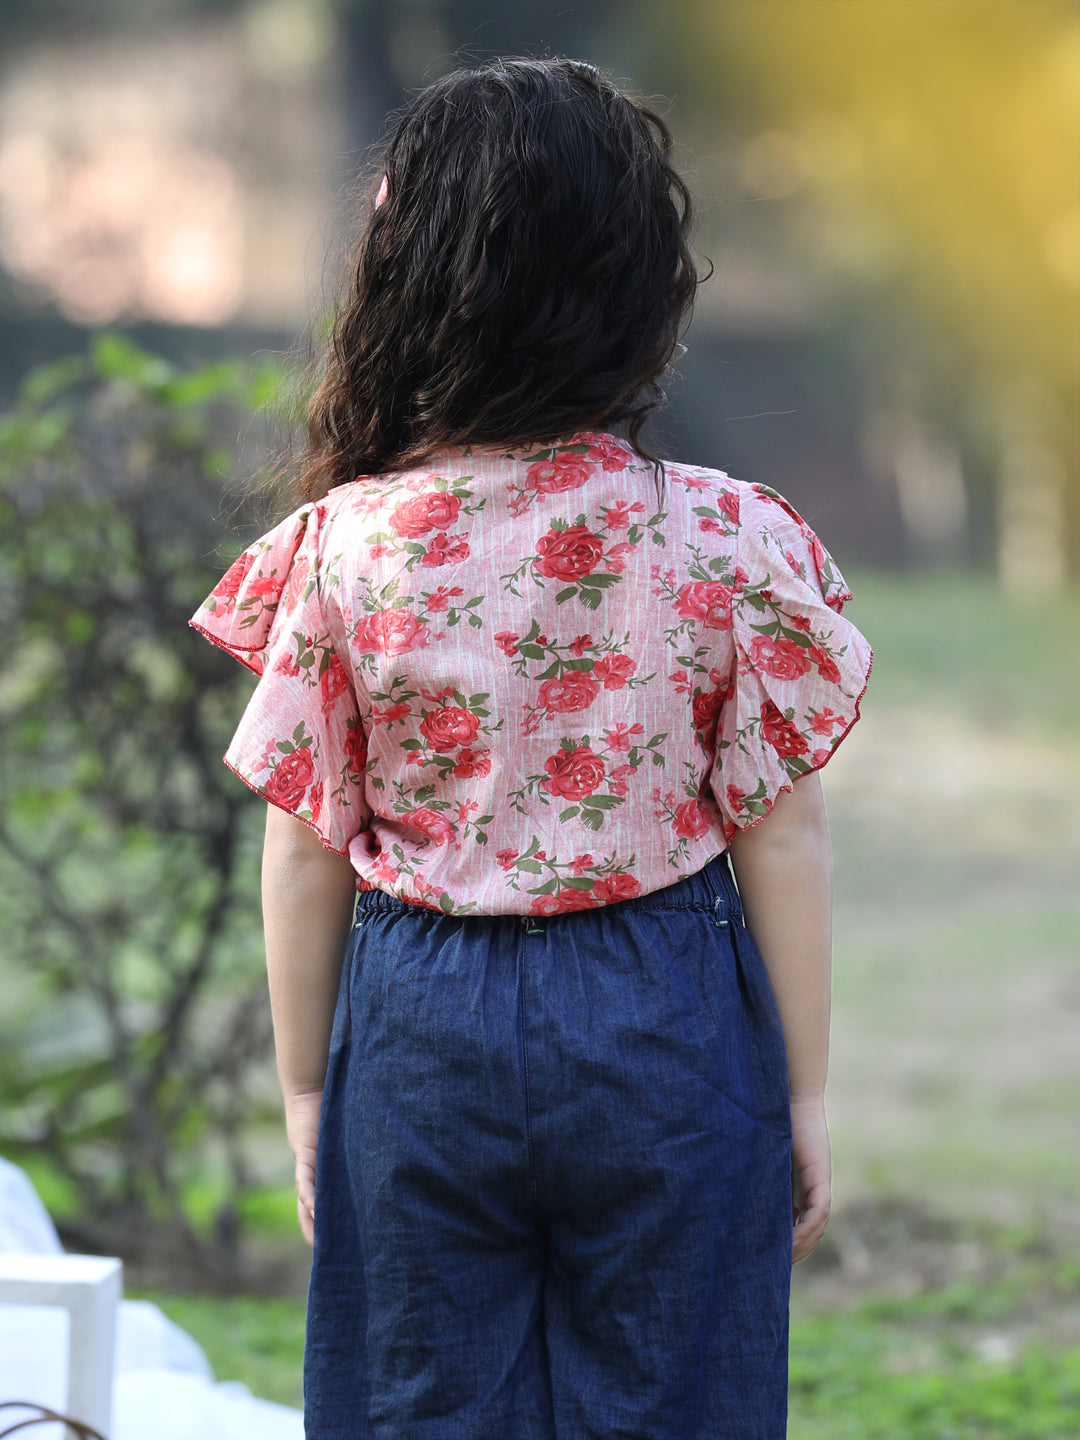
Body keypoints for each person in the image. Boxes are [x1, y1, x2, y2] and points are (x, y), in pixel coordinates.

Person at [190, 56, 872, 1440]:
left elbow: (306, 844)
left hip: (419, 1031)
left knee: (422, 1403)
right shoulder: (728, 539)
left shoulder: (348, 546)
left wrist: (310, 1086)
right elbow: (782, 838)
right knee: (678, 1402)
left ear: (404, 276)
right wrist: (800, 1096)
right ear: (643, 288)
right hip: (669, 1019)